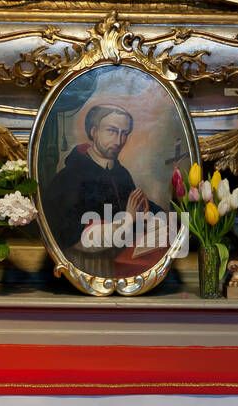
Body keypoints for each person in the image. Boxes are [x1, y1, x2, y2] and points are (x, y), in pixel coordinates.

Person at [45, 103, 164, 277]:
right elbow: (75, 236)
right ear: (93, 132)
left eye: (124, 134)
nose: (119, 141)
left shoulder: (120, 173)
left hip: (122, 262)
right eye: (112, 131)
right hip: (90, 267)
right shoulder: (70, 178)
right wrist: (128, 220)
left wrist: (147, 213)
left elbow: (127, 204)